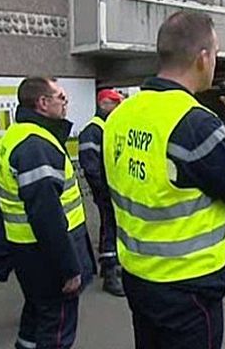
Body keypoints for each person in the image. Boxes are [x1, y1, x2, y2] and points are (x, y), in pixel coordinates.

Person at [102, 11, 225, 349]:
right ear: (203, 58)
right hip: (187, 288)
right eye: (216, 54)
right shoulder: (193, 123)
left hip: (138, 276)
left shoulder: (120, 115)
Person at [0, 76, 95, 349]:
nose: (66, 103)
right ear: (42, 103)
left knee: (36, 317)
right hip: (48, 257)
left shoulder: (17, 135)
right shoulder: (37, 145)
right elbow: (46, 216)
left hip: (28, 252)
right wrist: (69, 269)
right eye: (61, 97)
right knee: (57, 329)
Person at [78, 88, 125, 296]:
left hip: (113, 189)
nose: (117, 107)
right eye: (114, 103)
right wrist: (104, 191)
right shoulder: (93, 130)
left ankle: (112, 264)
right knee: (109, 225)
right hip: (106, 190)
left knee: (113, 225)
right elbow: (90, 166)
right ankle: (109, 272)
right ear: (103, 103)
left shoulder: (108, 127)